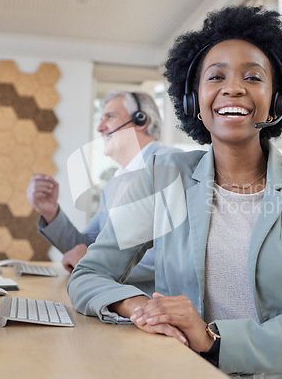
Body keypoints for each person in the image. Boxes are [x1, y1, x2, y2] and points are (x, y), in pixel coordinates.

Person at [68, 6, 282, 378]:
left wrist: (213, 340)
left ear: (277, 99)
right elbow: (89, 274)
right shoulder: (163, 179)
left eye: (253, 77)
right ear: (193, 100)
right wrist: (139, 306)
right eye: (216, 76)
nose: (233, 87)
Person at [27, 91, 179, 292]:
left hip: (156, 308)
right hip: (115, 303)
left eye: (109, 116)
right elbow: (87, 245)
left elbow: (170, 255)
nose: (99, 128)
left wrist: (95, 262)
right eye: (100, 119)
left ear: (141, 120)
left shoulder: (171, 165)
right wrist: (51, 212)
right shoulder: (114, 184)